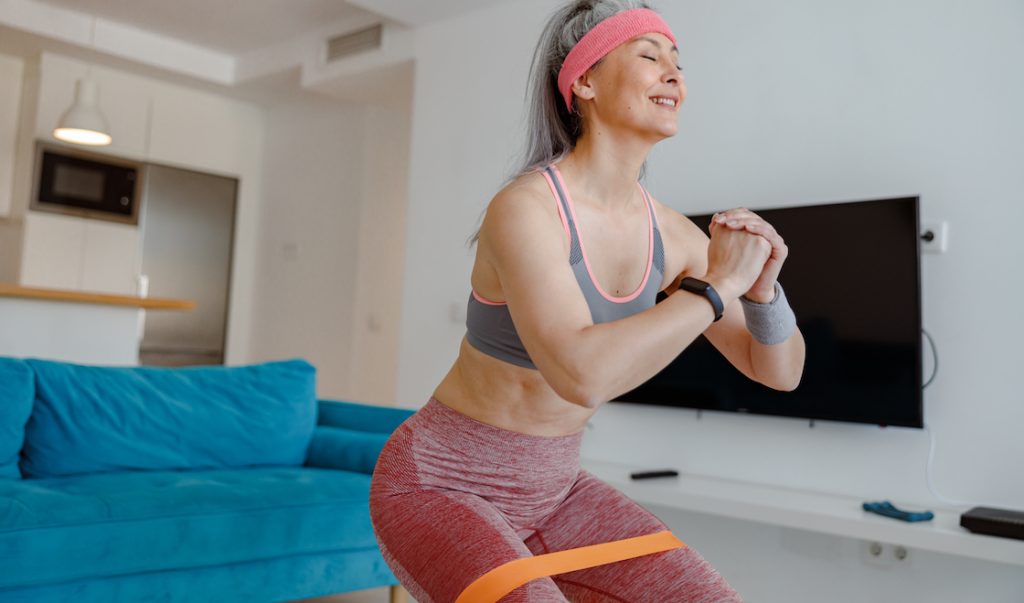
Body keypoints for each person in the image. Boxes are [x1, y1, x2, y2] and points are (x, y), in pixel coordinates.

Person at [370, 1, 806, 600]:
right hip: (440, 484)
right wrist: (717, 287)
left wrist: (761, 291)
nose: (673, 73)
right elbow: (581, 374)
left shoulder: (672, 235)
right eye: (649, 56)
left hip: (556, 490)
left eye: (678, 61)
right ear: (584, 82)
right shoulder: (527, 209)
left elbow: (778, 372)